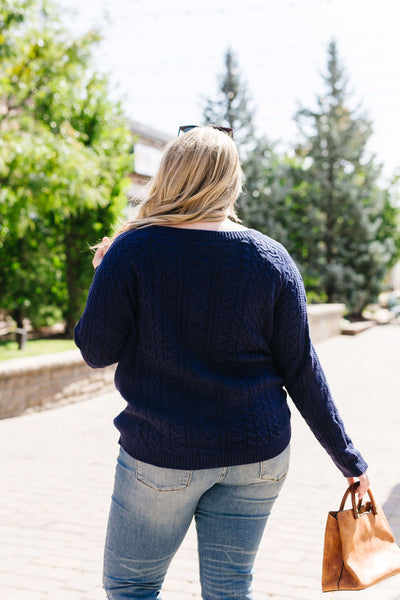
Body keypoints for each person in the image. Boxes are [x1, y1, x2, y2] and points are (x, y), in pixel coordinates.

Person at [74, 125, 369, 600]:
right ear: (231, 180)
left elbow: (96, 351)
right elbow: (301, 368)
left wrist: (105, 274)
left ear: (169, 176)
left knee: (132, 586)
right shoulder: (272, 259)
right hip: (258, 455)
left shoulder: (132, 251)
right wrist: (348, 458)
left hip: (161, 455)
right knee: (231, 589)